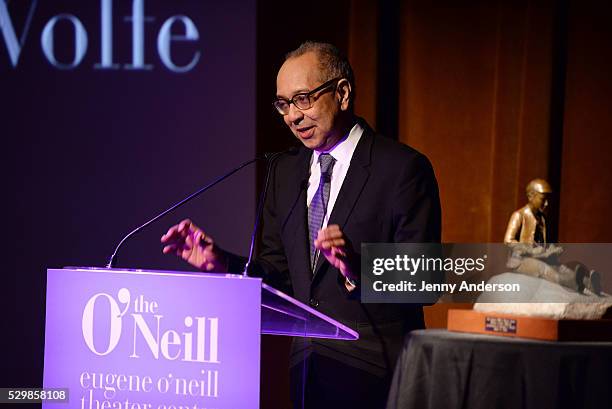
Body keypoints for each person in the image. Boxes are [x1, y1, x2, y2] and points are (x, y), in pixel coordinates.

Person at [161, 41, 441, 408]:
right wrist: (222, 263)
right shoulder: (284, 172)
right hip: (308, 373)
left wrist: (355, 268)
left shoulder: (402, 168)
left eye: (303, 98)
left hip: (379, 376)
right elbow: (280, 275)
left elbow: (423, 282)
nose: (292, 116)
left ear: (342, 93)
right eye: (283, 104)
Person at [504, 178, 600, 294]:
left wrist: (551, 249)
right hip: (522, 260)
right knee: (544, 269)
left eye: (547, 200)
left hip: (541, 256)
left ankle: (588, 283)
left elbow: (541, 242)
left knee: (562, 267)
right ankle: (572, 283)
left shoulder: (542, 218)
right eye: (543, 199)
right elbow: (508, 240)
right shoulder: (519, 215)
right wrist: (530, 251)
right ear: (530, 196)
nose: (546, 203)